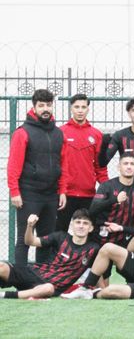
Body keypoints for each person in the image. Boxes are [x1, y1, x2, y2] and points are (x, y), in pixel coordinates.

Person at [7, 88, 69, 265]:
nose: (45, 109)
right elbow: (13, 165)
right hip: (29, 194)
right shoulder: (22, 132)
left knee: (46, 240)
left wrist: (62, 190)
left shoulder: (59, 134)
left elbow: (63, 165)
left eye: (49, 105)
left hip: (51, 195)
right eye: (41, 105)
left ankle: (42, 280)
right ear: (34, 108)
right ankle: (20, 280)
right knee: (24, 239)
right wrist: (14, 192)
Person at [0, 209, 99, 299]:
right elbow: (30, 241)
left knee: (48, 289)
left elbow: (99, 270)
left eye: (85, 223)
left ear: (91, 228)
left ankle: (4, 295)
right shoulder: (60, 237)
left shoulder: (93, 249)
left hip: (48, 286)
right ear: (72, 225)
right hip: (32, 272)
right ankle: (29, 293)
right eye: (78, 222)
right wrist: (30, 226)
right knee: (2, 267)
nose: (81, 226)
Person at [89, 152, 134, 269]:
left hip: (127, 238)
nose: (129, 166)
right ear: (119, 167)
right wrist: (114, 199)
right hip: (105, 238)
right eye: (125, 164)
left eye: (132, 164)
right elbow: (92, 210)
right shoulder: (107, 186)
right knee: (104, 285)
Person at [58, 93, 109, 232]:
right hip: (65, 195)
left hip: (88, 195)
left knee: (89, 234)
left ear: (88, 109)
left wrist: (108, 188)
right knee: (59, 233)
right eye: (77, 107)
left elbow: (100, 167)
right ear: (71, 109)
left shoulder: (96, 134)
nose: (80, 110)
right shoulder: (60, 132)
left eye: (83, 107)